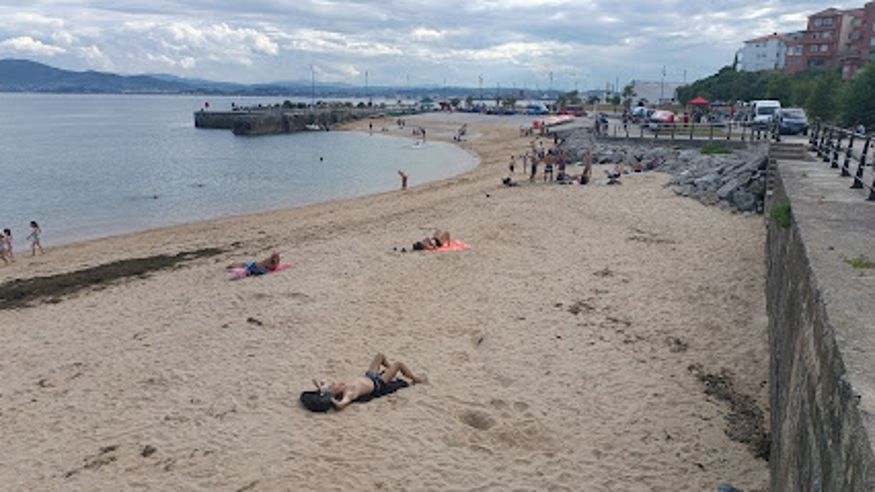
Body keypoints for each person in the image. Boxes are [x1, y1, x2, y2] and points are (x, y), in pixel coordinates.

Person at [314, 353, 427, 410]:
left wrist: (321, 387)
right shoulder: (349, 393)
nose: (338, 383)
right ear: (337, 392)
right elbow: (340, 405)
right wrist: (332, 400)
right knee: (399, 364)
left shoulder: (340, 388)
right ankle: (416, 379)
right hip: (378, 383)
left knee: (380, 356)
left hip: (370, 376)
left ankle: (390, 371)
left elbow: (322, 381)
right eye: (336, 386)